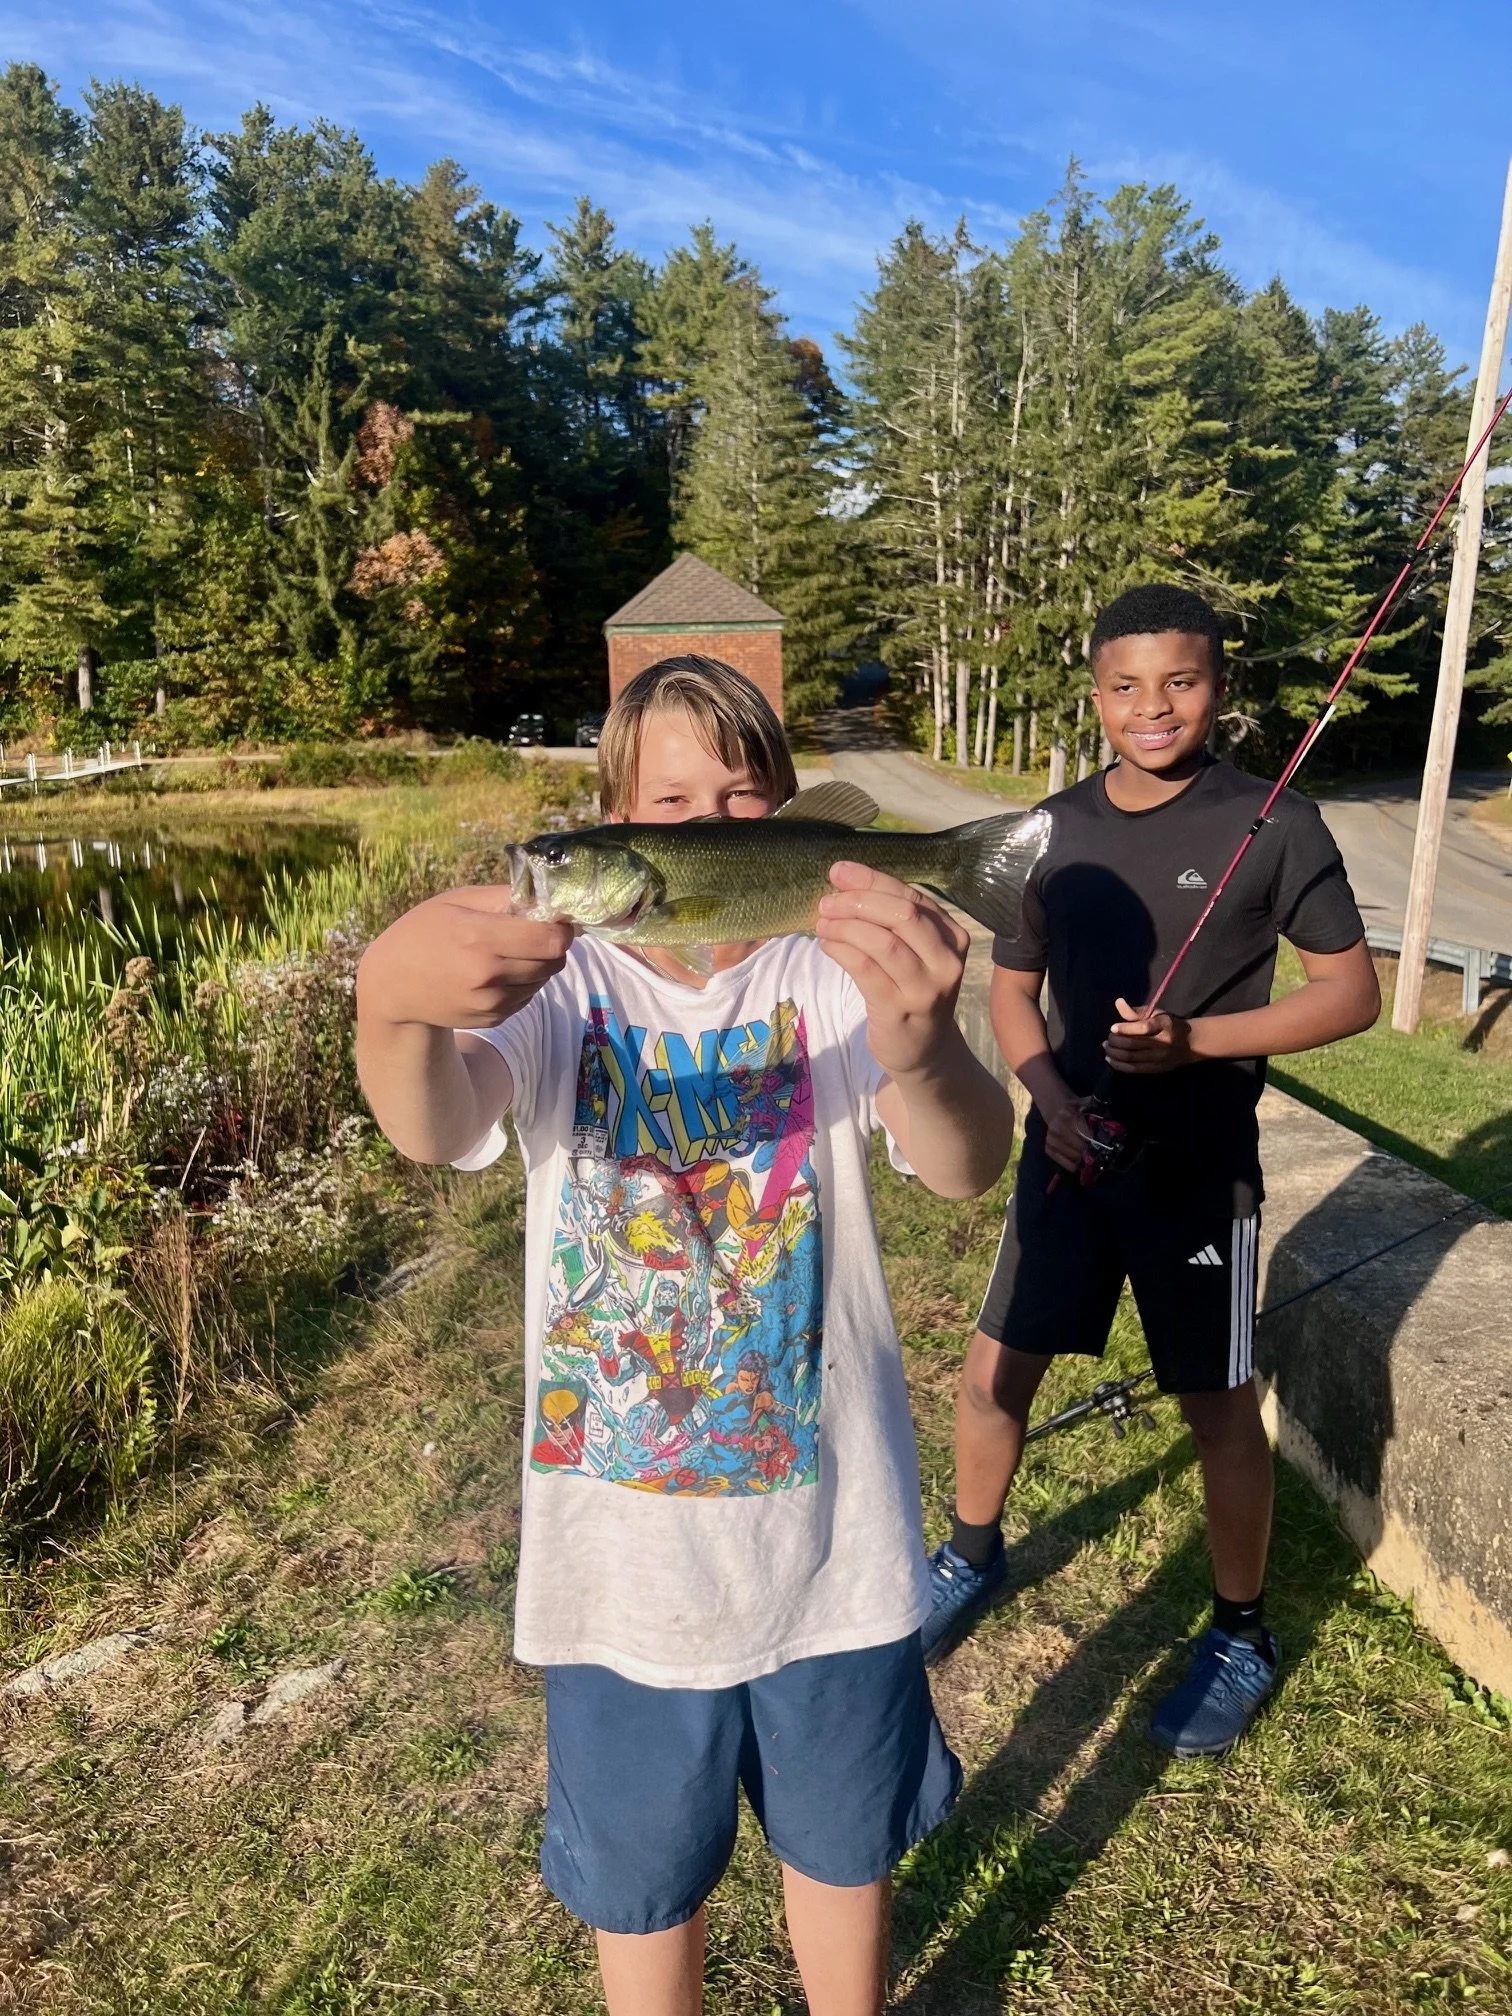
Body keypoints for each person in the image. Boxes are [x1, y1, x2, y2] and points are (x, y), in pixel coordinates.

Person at [356, 655, 1015, 2016]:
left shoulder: (829, 977)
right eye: (669, 802)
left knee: (844, 1849)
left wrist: (923, 1047)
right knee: (645, 1886)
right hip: (622, 1581)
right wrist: (391, 1000)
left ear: (788, 817)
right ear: (620, 824)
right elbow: (434, 1123)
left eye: (743, 795)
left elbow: (965, 1164)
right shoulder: (562, 990)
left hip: (838, 1550)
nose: (710, 819)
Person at [922, 583, 1381, 1758]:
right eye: (1126, 686)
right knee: (990, 1379)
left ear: (1219, 686)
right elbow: (1012, 994)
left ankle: (1240, 1633)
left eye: (1180, 680)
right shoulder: (1048, 830)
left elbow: (1349, 994)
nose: (1154, 706)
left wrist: (1195, 1043)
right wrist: (1051, 1101)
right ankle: (969, 1554)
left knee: (1220, 1409)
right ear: (1095, 696)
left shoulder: (1275, 821)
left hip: (1198, 1172)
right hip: (1068, 1161)